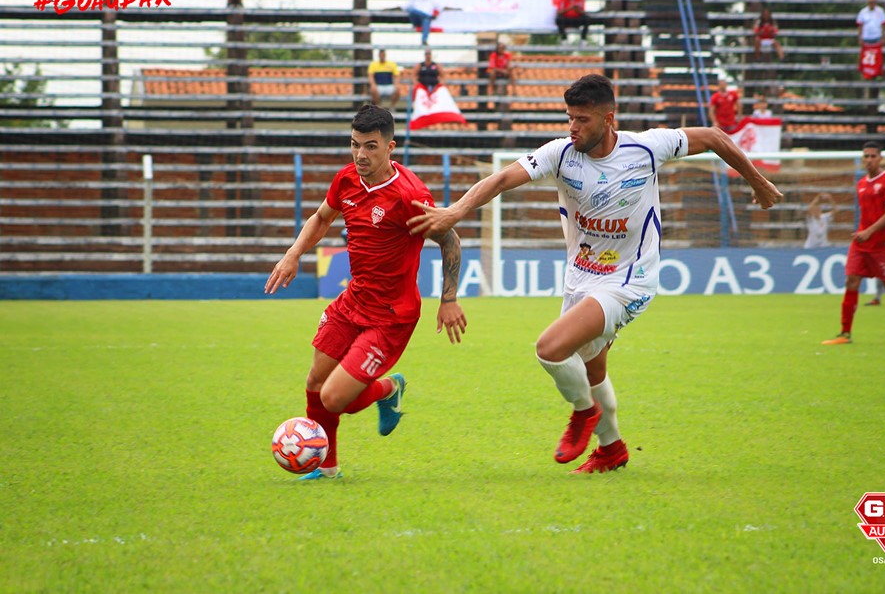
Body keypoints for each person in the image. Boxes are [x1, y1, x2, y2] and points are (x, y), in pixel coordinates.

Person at [407, 74, 783, 474]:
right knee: (593, 368)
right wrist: (455, 211)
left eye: (582, 119)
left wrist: (758, 183)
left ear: (609, 119)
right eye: (569, 117)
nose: (573, 127)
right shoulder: (560, 154)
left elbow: (713, 136)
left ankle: (584, 412)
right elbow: (501, 179)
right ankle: (612, 449)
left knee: (550, 348)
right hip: (580, 278)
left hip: (629, 279)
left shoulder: (646, 147)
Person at [265, 105, 467, 480]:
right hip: (353, 301)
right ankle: (327, 469)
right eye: (355, 145)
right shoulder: (346, 179)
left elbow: (450, 238)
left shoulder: (409, 195)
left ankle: (389, 389)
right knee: (314, 384)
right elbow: (322, 217)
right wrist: (293, 253)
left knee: (334, 398)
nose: (361, 155)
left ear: (390, 147)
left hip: (391, 316)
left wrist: (449, 299)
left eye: (371, 146)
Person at [821, 142, 885, 346]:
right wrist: (863, 233)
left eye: (872, 156)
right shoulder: (861, 183)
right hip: (861, 243)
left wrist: (869, 232)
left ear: (880, 158)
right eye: (865, 156)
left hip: (883, 243)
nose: (868, 160)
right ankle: (845, 333)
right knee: (851, 282)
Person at [857, 0, 885, 80]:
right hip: (866, 38)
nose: (872, 4)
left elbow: (883, 24)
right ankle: (866, 73)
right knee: (866, 57)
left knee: (877, 57)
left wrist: (884, 37)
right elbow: (860, 25)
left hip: (877, 37)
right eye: (870, 2)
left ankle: (876, 73)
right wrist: (860, 38)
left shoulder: (880, 11)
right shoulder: (863, 12)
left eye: (873, 2)